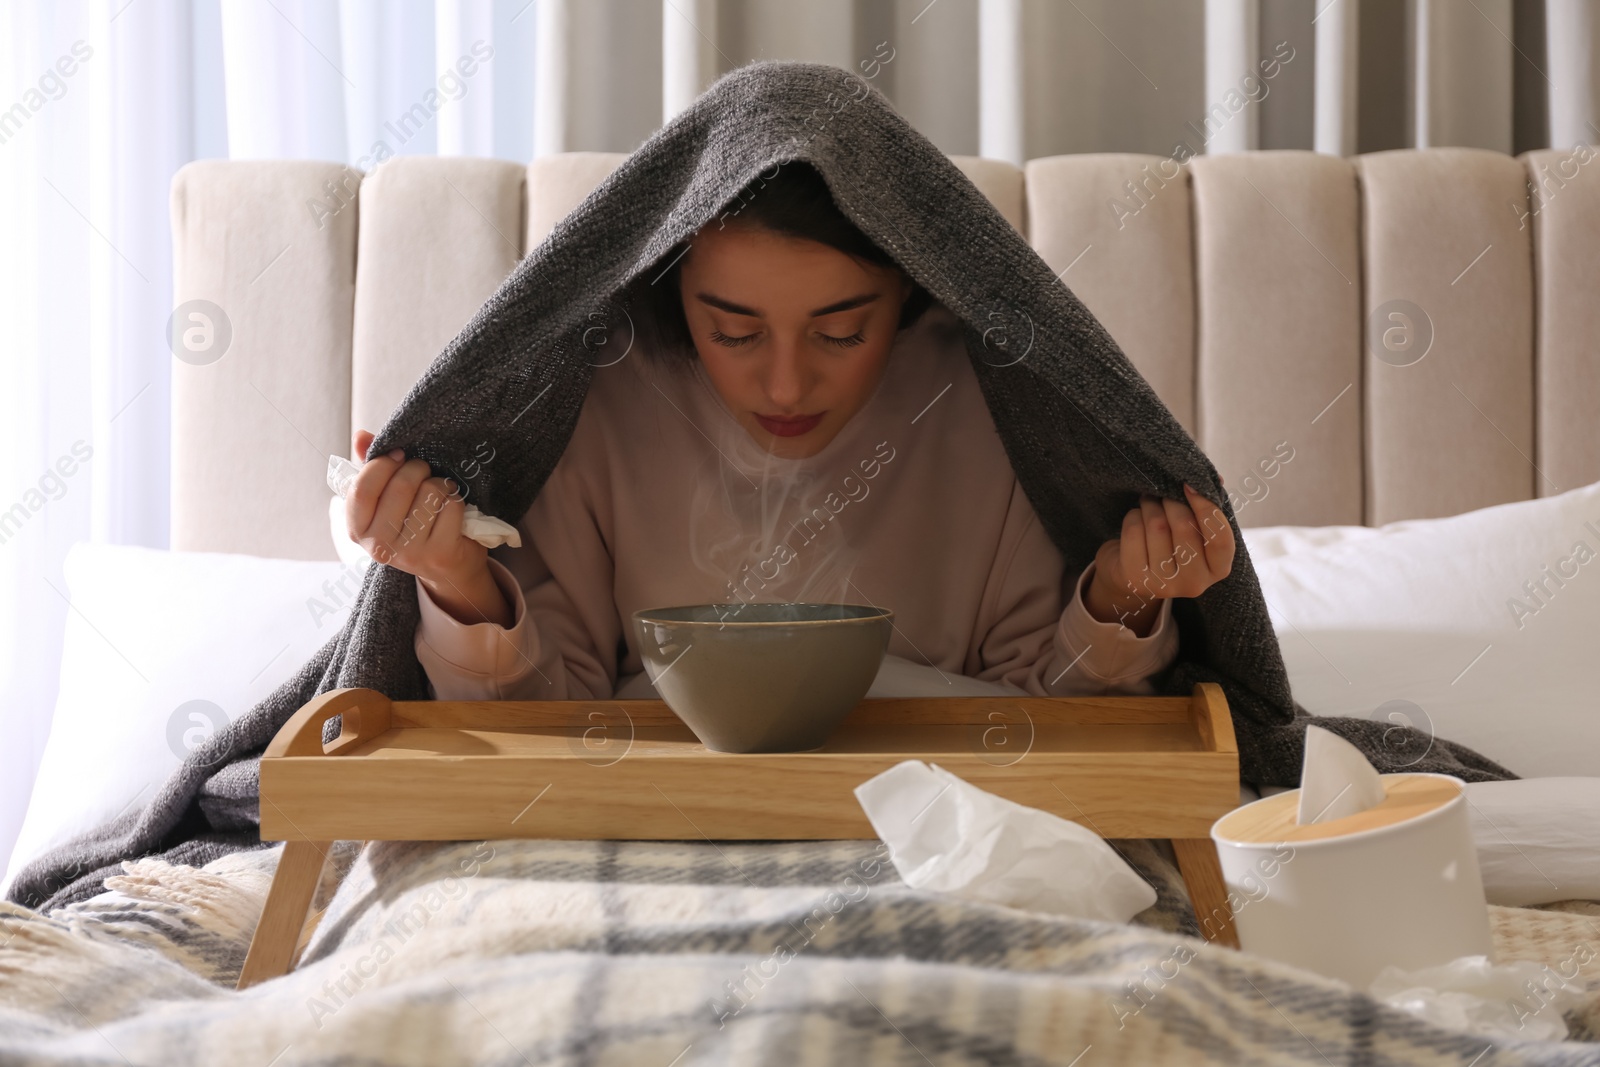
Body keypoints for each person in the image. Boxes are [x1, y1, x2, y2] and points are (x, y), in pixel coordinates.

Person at [343, 161, 1235, 702]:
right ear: (667, 292)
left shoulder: (991, 399)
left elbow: (1064, 731)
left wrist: (1124, 594)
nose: (783, 383)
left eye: (843, 331)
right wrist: (457, 579)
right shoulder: (603, 392)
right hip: (646, 815)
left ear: (918, 295)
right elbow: (542, 723)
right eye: (730, 331)